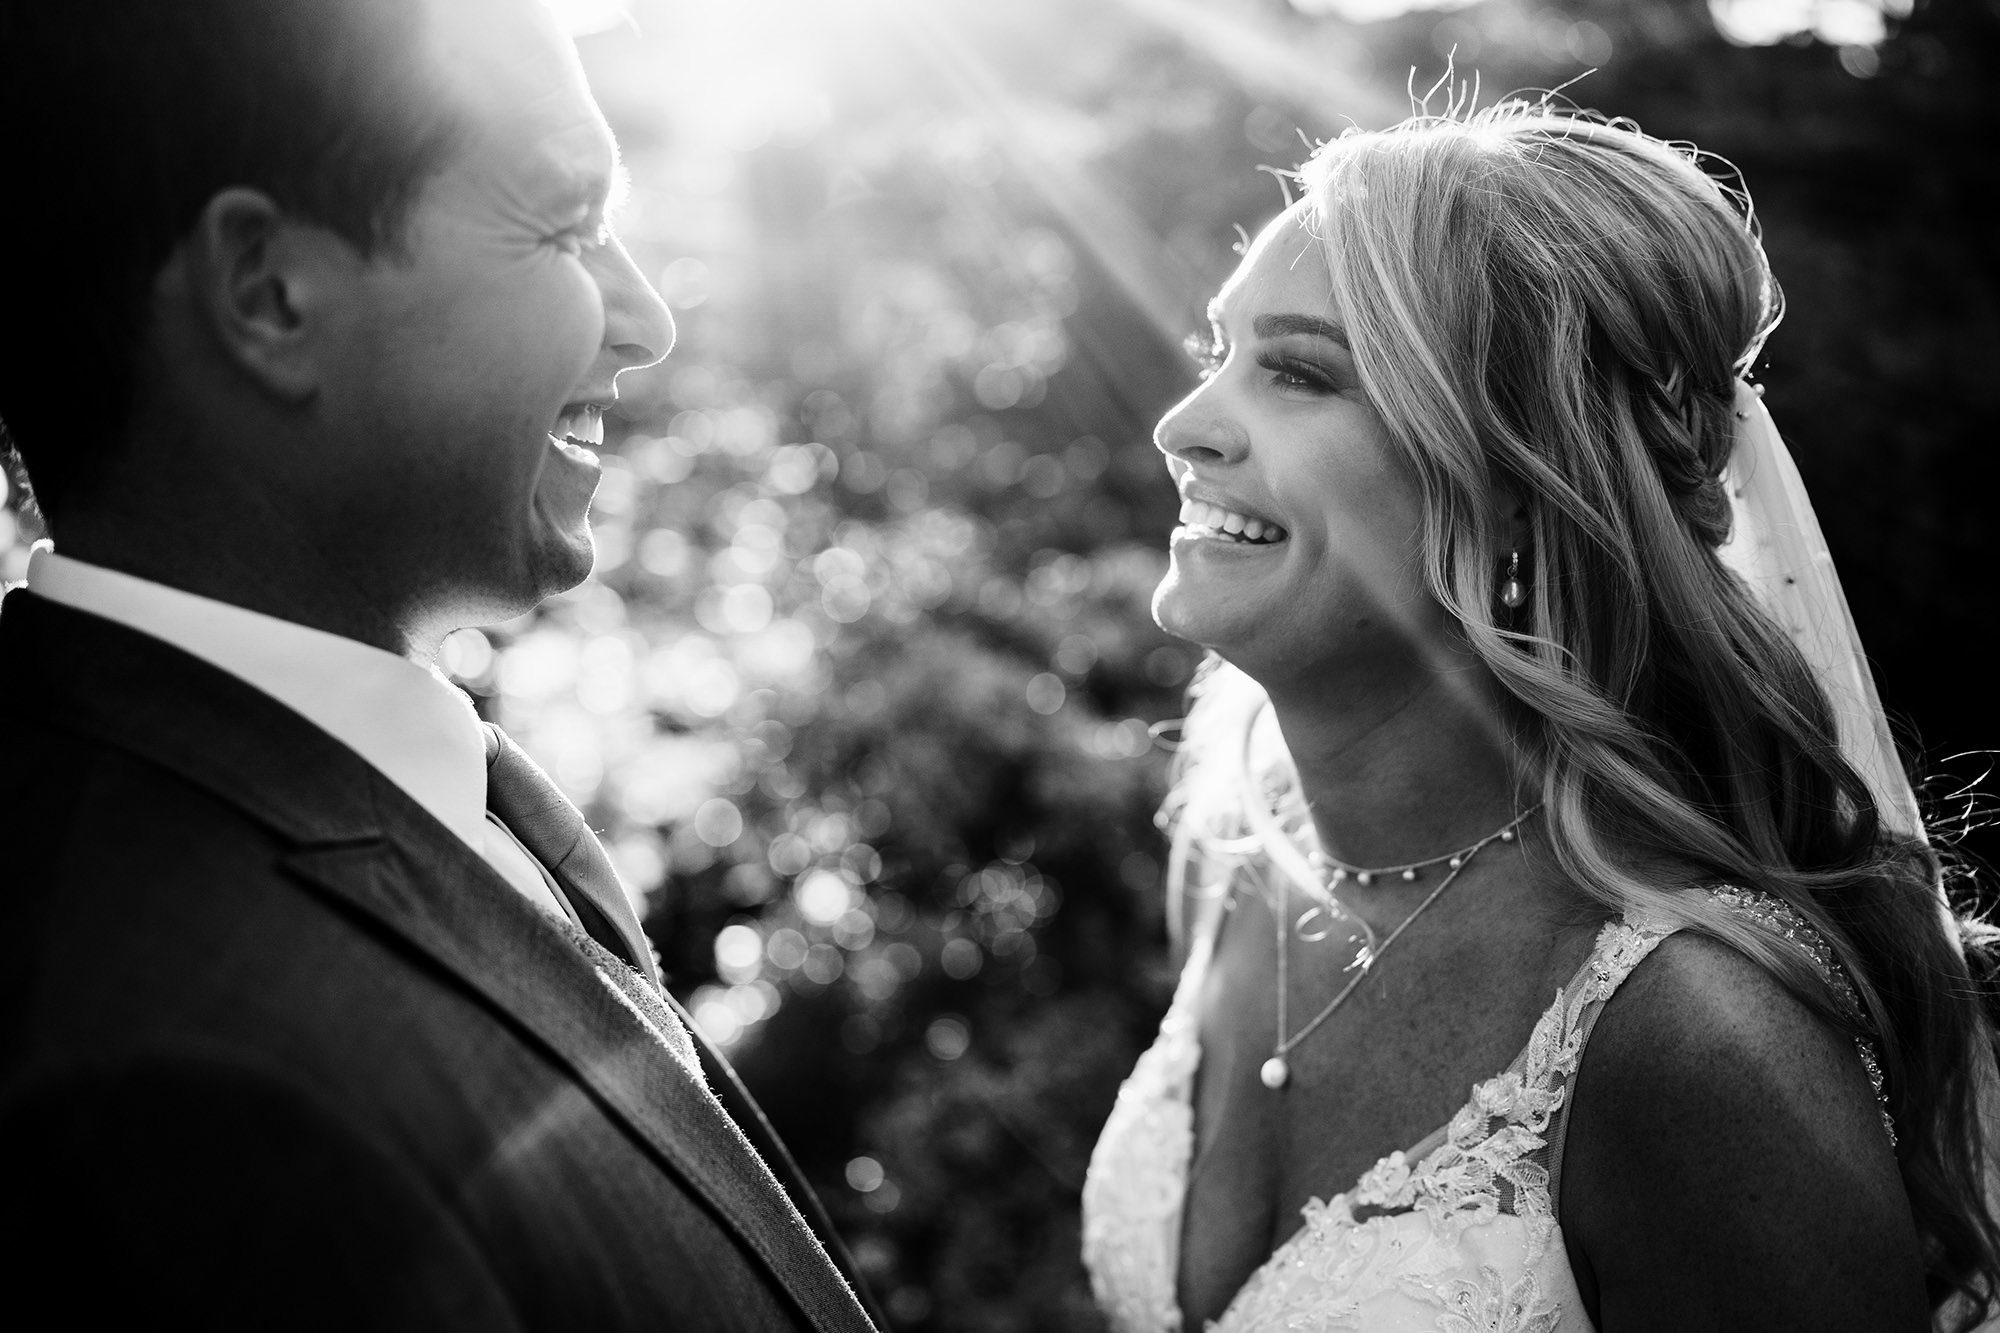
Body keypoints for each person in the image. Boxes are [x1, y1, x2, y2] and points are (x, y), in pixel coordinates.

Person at [0, 2, 879, 1328]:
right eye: (569, 224)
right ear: (270, 293)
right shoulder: (174, 1089)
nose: (648, 321)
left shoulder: (426, 796)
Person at [1080, 102, 2000, 1332]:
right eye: (1219, 350)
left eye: (1295, 370)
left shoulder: (1696, 1047)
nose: (1179, 424)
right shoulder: (1238, 845)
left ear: (1517, 488)